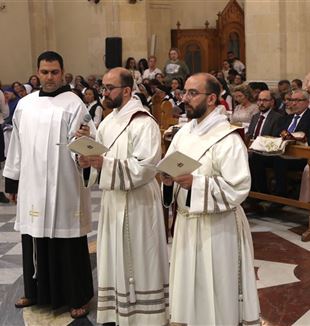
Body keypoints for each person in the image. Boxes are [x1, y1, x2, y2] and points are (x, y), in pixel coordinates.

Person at [161, 73, 260, 326]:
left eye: (193, 93)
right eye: (185, 92)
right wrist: (169, 180)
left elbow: (239, 188)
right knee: (189, 288)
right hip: (186, 223)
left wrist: (197, 183)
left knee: (216, 289)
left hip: (217, 229)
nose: (185, 98)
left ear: (213, 99)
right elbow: (172, 165)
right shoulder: (183, 133)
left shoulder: (228, 137)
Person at [3, 51, 95, 318]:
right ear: (37, 72)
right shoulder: (26, 104)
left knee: (67, 241)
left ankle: (77, 295)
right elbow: (16, 146)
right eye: (44, 72)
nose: (50, 77)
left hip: (64, 184)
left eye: (54, 72)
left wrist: (84, 144)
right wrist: (12, 181)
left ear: (62, 72)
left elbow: (86, 145)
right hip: (32, 185)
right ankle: (35, 293)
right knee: (33, 238)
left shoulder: (74, 104)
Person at [78, 67, 169, 326]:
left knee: (140, 257)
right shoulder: (108, 121)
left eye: (109, 88)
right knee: (114, 255)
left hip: (138, 202)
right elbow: (100, 156)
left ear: (127, 90)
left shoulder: (144, 122)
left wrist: (103, 164)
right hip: (113, 200)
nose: (104, 93)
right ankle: (118, 309)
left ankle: (145, 315)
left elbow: (146, 166)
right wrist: (87, 158)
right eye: (103, 88)